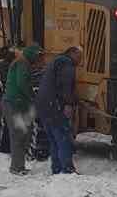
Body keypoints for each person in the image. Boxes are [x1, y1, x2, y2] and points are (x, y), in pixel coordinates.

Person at [34, 45, 82, 174]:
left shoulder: (55, 62)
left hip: (44, 106)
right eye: (79, 56)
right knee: (63, 138)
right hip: (55, 106)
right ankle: (67, 169)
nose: (80, 60)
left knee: (54, 140)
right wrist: (68, 104)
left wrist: (75, 100)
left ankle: (56, 169)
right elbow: (65, 85)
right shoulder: (66, 63)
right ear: (73, 53)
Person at [1, 43, 43, 175]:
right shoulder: (22, 63)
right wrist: (32, 97)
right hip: (14, 104)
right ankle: (16, 168)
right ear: (32, 54)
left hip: (20, 104)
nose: (39, 59)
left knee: (25, 133)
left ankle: (19, 165)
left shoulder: (24, 63)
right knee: (19, 135)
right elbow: (22, 83)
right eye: (38, 56)